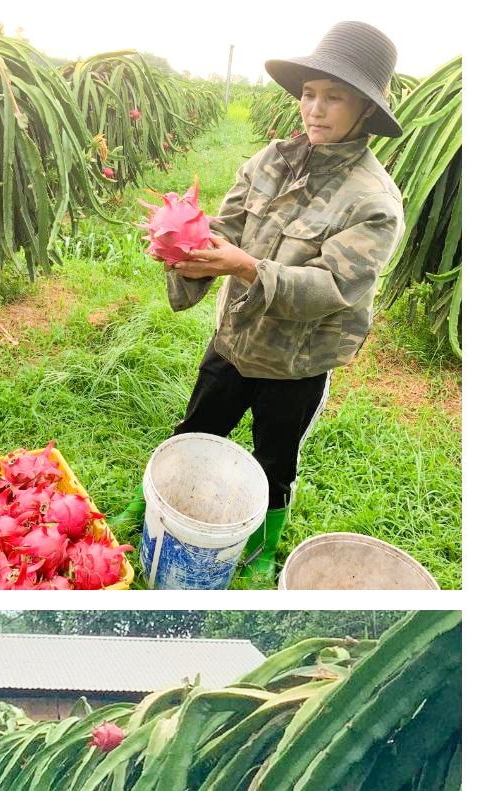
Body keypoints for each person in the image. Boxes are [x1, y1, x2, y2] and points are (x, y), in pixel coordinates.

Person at [113, 22, 405, 583]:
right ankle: (153, 503)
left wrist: (245, 266)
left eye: (334, 96)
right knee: (196, 429)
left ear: (365, 108)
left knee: (275, 458)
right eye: (309, 93)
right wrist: (186, 246)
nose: (314, 109)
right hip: (235, 338)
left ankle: (265, 545)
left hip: (298, 360)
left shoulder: (373, 202)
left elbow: (334, 288)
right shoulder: (271, 158)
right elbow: (229, 225)